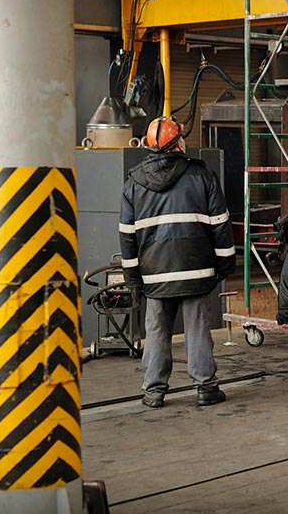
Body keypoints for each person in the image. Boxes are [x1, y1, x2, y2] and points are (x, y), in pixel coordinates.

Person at [119, 116, 235, 408]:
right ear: (177, 144)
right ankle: (206, 387)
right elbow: (220, 226)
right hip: (196, 269)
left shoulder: (133, 184)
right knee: (197, 329)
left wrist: (132, 277)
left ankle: (153, 392)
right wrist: (225, 265)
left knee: (157, 330)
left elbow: (127, 236)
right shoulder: (203, 176)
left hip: (154, 273)